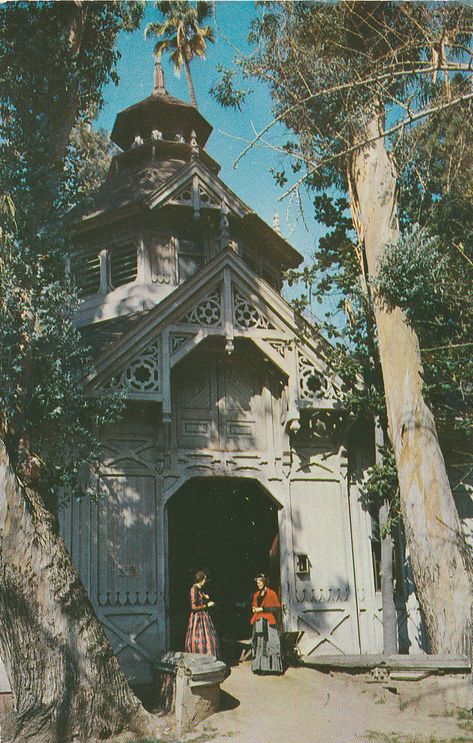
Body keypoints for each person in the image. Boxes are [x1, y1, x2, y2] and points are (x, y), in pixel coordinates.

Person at [250, 573, 283, 674]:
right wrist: (254, 609)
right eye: (257, 583)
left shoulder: (271, 593)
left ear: (264, 582)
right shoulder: (256, 595)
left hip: (269, 622)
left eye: (259, 582)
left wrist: (263, 608)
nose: (258, 584)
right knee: (259, 644)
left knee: (271, 644)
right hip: (259, 621)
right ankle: (259, 667)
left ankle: (273, 668)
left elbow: (276, 608)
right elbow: (254, 605)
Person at [184, 570, 219, 657]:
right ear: (202, 580)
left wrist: (206, 598)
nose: (205, 582)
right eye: (205, 579)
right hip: (197, 618)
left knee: (209, 639)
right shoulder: (193, 589)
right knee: (198, 639)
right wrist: (207, 605)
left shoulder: (200, 590)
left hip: (204, 616)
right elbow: (193, 607)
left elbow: (200, 601)